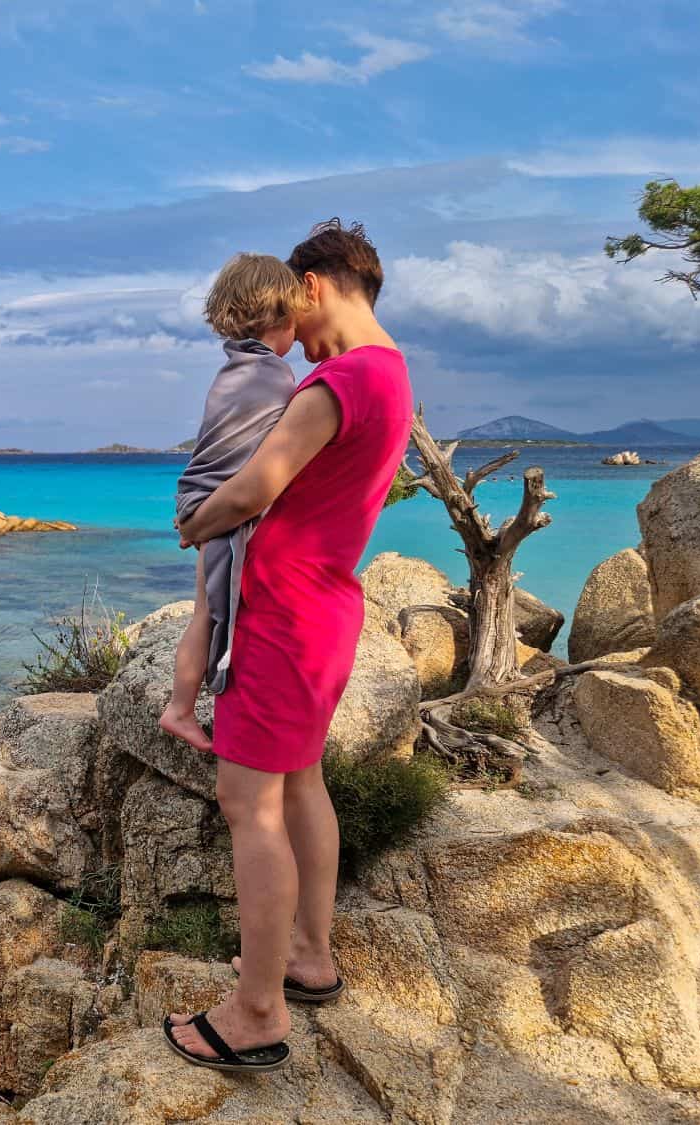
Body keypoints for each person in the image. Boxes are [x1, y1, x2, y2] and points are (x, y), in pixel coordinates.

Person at [163, 220, 413, 1073]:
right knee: (300, 784)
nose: (286, 330)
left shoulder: (337, 381)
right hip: (325, 607)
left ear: (314, 286)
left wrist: (192, 521)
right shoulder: (392, 375)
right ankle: (308, 955)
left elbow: (253, 487)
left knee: (249, 805)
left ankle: (257, 1011)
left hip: (280, 616)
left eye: (289, 307)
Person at [158, 253, 307, 753]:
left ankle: (181, 706)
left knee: (202, 611)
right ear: (281, 317)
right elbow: (265, 454)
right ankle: (180, 709)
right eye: (296, 323)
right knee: (214, 614)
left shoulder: (235, 369)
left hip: (200, 497)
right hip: (217, 506)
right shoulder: (274, 376)